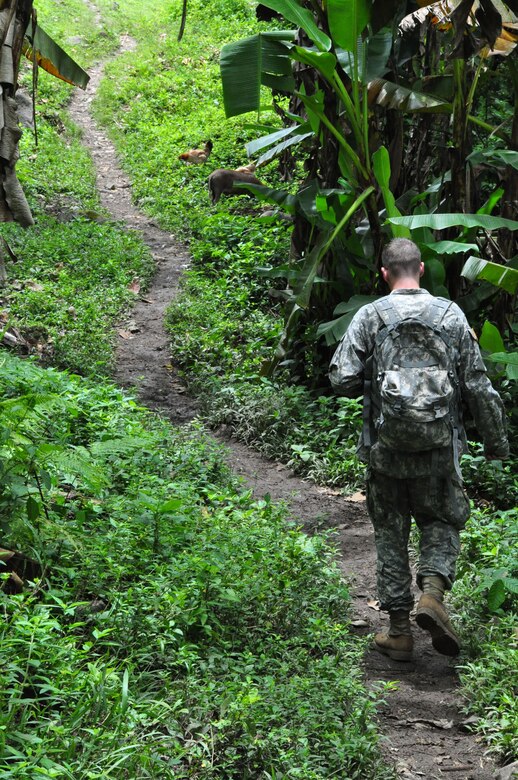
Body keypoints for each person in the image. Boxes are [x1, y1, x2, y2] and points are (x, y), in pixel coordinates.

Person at [329, 238, 509, 661]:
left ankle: (398, 633)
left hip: (386, 450)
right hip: (438, 452)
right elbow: (478, 386)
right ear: (422, 270)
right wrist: (497, 444)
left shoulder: (370, 316)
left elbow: (341, 379)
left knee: (391, 533)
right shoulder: (449, 315)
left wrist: (380, 384)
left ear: (384, 274)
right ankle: (431, 594)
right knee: (442, 520)